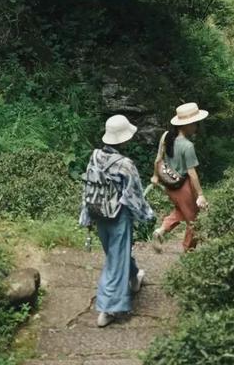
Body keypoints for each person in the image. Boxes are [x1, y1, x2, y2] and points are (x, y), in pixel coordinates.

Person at [80, 114, 155, 328]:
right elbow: (134, 196)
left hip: (98, 214)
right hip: (118, 216)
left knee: (116, 254)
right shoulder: (125, 164)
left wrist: (86, 215)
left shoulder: (95, 156)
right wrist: (147, 215)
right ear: (124, 139)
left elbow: (88, 186)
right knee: (115, 259)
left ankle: (134, 277)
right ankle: (108, 308)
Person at [151, 102, 209, 252]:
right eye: (194, 123)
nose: (196, 126)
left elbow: (158, 159)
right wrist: (200, 194)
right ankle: (189, 251)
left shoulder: (167, 137)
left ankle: (161, 231)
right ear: (186, 125)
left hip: (170, 185)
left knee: (181, 211)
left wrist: (155, 176)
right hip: (184, 188)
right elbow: (192, 172)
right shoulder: (187, 146)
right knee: (194, 220)